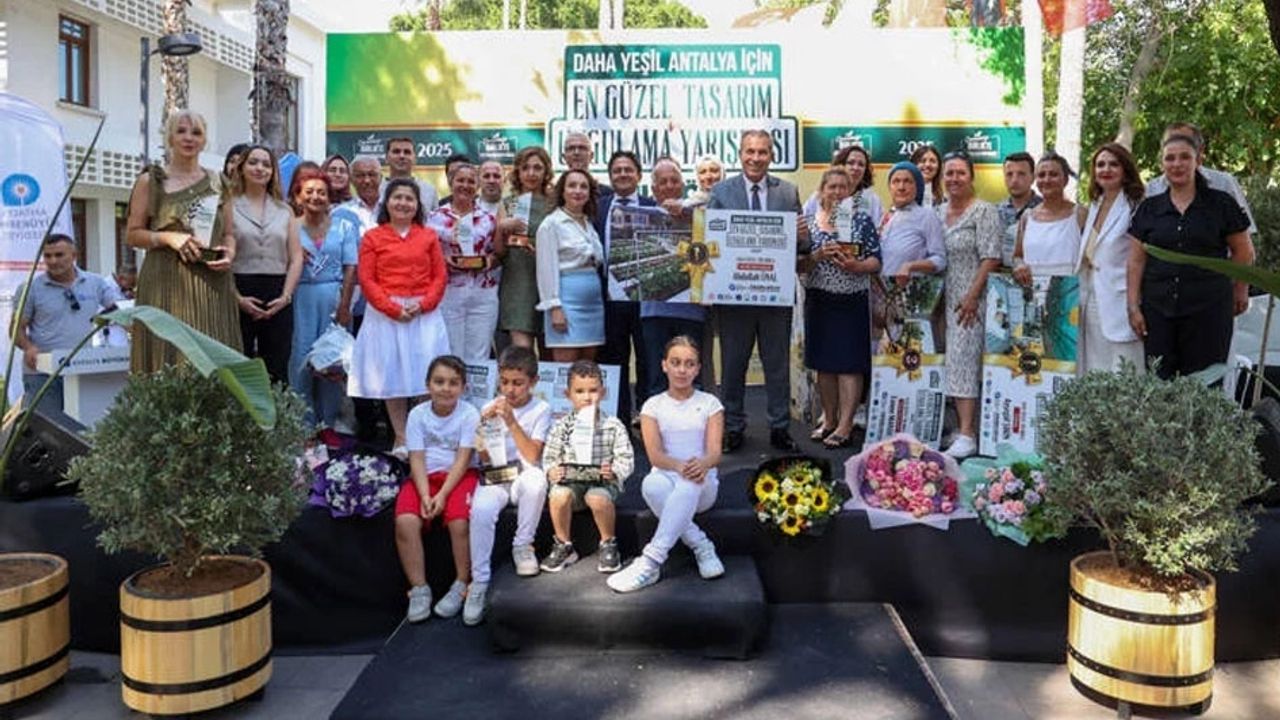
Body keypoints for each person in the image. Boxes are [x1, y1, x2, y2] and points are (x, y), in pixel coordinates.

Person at [708, 129, 805, 453]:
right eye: (750, 151)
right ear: (740, 154)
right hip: (735, 296)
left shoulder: (788, 193)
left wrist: (801, 233)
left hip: (774, 296)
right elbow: (710, 242)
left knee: (777, 365)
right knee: (733, 365)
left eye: (762, 152)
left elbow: (801, 245)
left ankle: (780, 428)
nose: (756, 158)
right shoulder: (721, 191)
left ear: (771, 156)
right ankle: (733, 427)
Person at [1127, 134, 1253, 379]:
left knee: (1205, 386)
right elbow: (1136, 260)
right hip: (1157, 311)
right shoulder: (1149, 208)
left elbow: (1243, 251)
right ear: (1162, 164)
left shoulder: (1221, 204)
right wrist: (1133, 306)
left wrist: (1240, 290)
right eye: (1170, 158)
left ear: (1198, 160)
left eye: (1185, 157)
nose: (1177, 164)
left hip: (1210, 310)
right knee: (1158, 384)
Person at [125, 110, 242, 373]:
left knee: (213, 356)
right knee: (167, 355)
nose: (189, 138)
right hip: (165, 281)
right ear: (170, 138)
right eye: (181, 131)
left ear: (204, 140)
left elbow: (229, 234)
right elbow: (133, 234)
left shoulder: (219, 183)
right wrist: (168, 237)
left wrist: (229, 254)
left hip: (211, 281)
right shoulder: (150, 181)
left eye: (196, 132)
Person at [608, 337, 725, 593]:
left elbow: (715, 453)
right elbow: (656, 457)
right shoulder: (652, 406)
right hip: (667, 477)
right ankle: (701, 545)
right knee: (651, 483)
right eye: (676, 363)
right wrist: (679, 465)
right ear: (664, 366)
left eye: (689, 364)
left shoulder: (710, 404)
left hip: (702, 484)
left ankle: (651, 560)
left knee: (690, 481)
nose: (682, 369)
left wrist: (702, 464)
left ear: (697, 368)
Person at [348, 178, 450, 458]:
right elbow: (367, 279)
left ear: (418, 205)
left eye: (409, 198)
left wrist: (424, 304)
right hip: (385, 316)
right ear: (387, 203)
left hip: (423, 314)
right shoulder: (373, 237)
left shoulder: (428, 236)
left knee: (425, 375)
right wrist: (392, 308)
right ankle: (402, 437)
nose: (403, 203)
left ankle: (426, 434)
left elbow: (440, 276)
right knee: (392, 376)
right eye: (398, 198)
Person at [464, 346, 550, 625]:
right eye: (505, 382)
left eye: (518, 383)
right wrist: (485, 430)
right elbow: (483, 457)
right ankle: (479, 580)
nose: (510, 390)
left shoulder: (541, 408)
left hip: (524, 474)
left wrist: (511, 422)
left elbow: (532, 455)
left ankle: (523, 545)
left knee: (536, 481)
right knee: (481, 509)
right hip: (497, 477)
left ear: (533, 382)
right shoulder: (488, 407)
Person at [801, 169, 882, 449]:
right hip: (819, 300)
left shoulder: (861, 221)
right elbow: (799, 265)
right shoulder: (810, 223)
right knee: (824, 365)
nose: (837, 192)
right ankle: (829, 419)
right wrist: (816, 255)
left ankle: (846, 423)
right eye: (832, 187)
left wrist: (857, 266)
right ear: (821, 190)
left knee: (848, 365)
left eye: (843, 187)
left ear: (851, 192)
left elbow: (876, 261)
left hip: (851, 301)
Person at [397, 355, 481, 623]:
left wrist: (442, 494)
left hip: (459, 477)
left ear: (463, 387)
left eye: (453, 383)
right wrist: (424, 494)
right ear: (427, 385)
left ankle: (460, 584)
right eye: (439, 382)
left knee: (459, 523)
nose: (446, 388)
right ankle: (419, 588)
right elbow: (417, 458)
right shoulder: (417, 415)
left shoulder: (469, 414)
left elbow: (463, 458)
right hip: (423, 478)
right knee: (406, 522)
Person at [540, 360, 634, 573]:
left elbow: (626, 458)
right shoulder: (561, 426)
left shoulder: (613, 425)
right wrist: (552, 470)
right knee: (558, 495)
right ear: (568, 394)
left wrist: (615, 471)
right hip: (572, 485)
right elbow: (550, 456)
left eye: (593, 390)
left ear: (603, 392)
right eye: (579, 391)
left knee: (596, 497)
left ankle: (608, 543)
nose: (587, 397)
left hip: (603, 484)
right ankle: (563, 545)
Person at [937, 152, 1002, 459]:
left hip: (971, 299)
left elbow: (991, 256)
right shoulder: (936, 212)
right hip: (941, 300)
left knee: (964, 360)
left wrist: (973, 295)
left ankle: (968, 434)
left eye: (960, 173)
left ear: (971, 176)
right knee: (950, 362)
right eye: (949, 173)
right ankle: (958, 427)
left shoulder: (984, 211)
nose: (954, 179)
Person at [13, 234, 122, 414]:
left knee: (82, 430)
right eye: (47, 256)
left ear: (74, 255)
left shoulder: (95, 283)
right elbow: (16, 329)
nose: (53, 261)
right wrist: (28, 347)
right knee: (48, 432)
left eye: (59, 255)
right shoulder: (30, 288)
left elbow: (118, 312)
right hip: (43, 373)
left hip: (82, 370)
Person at [228, 145, 303, 385]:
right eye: (253, 162)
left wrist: (286, 296)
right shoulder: (227, 206)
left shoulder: (284, 210)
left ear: (273, 172)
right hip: (239, 288)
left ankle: (278, 421)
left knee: (278, 366)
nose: (259, 168)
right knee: (239, 363)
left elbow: (296, 257)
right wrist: (237, 297)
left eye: (266, 164)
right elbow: (221, 255)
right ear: (242, 167)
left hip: (277, 292)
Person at [290, 168, 359, 428]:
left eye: (322, 192)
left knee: (332, 364)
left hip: (333, 298)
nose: (316, 197)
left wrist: (345, 306)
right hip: (301, 299)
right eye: (309, 192)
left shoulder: (344, 226)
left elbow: (351, 267)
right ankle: (303, 428)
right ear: (298, 197)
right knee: (300, 362)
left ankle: (330, 426)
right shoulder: (291, 227)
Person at [596, 150, 657, 420]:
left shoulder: (653, 205)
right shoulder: (598, 207)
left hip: (646, 297)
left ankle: (646, 419)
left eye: (628, 169)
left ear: (638, 175)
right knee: (613, 361)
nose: (622, 174)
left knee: (648, 361)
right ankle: (618, 419)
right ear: (610, 176)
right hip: (609, 299)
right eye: (617, 170)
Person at [1076, 143, 1146, 374]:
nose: (1106, 169)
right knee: (1095, 368)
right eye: (1100, 164)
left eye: (1113, 164)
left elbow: (1140, 256)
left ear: (1125, 169)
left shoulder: (1136, 205)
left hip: (1122, 299)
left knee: (1124, 371)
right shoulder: (1095, 204)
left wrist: (1134, 304)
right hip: (1091, 295)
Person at [641, 158, 708, 398]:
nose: (669, 185)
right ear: (653, 188)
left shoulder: (700, 214)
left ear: (682, 184)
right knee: (657, 377)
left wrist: (687, 213)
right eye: (663, 181)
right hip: (653, 311)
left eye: (674, 180)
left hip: (692, 309)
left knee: (690, 376)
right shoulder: (641, 214)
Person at [428, 163, 499, 363]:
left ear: (477, 186)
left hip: (483, 293)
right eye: (460, 180)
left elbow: (498, 255)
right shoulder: (434, 219)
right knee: (451, 352)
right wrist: (444, 260)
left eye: (471, 181)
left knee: (479, 354)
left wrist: (488, 261)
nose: (465, 185)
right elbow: (426, 256)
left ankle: (477, 395)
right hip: (449, 292)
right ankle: (453, 395)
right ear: (451, 183)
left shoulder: (489, 219)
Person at [536, 169, 605, 362]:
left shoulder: (588, 223)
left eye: (583, 186)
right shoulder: (551, 224)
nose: (578, 191)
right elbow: (545, 270)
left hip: (593, 305)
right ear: (562, 191)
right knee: (566, 370)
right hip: (566, 304)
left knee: (588, 370)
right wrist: (555, 308)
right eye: (572, 185)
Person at [1146, 122, 1256, 235]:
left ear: (1200, 151)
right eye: (1170, 143)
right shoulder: (1151, 190)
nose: (1177, 162)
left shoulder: (1224, 184)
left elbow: (1245, 235)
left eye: (1186, 144)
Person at [496, 147, 554, 350]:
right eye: (526, 168)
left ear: (546, 172)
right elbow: (500, 253)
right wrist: (501, 229)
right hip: (517, 284)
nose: (531, 173)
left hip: (549, 285)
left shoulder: (554, 203)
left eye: (537, 168)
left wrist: (543, 252)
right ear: (517, 173)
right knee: (521, 354)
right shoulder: (507, 204)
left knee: (550, 357)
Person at [1013, 153, 1080, 282]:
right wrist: (1019, 265)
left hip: (1069, 296)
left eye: (1053, 174)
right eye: (1041, 175)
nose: (1047, 180)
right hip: (1033, 294)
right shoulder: (1027, 217)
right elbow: (1017, 256)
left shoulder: (1080, 215)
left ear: (1065, 180)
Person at [879, 162, 946, 281]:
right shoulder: (885, 217)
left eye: (907, 181)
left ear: (918, 187)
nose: (901, 187)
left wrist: (910, 266)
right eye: (896, 181)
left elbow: (940, 260)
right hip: (881, 293)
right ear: (890, 187)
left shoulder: (927, 216)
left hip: (911, 292)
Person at [996, 151, 1042, 266]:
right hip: (999, 279)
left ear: (1033, 177)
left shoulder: (1045, 210)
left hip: (1038, 277)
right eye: (1009, 174)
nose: (1015, 180)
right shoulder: (994, 212)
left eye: (1021, 174)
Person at [383, 137, 439, 213]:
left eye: (407, 152)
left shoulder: (429, 191)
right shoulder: (376, 190)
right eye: (396, 152)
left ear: (415, 159)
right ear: (386, 158)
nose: (402, 156)